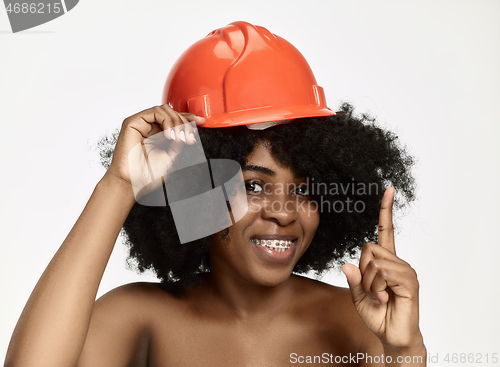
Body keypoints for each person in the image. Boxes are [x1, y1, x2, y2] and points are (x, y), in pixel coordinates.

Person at [4, 21, 426, 366]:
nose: (284, 214)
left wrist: (404, 352)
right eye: (254, 185)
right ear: (198, 189)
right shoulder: (143, 318)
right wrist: (120, 186)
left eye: (305, 189)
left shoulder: (360, 325)